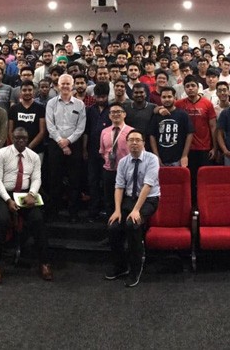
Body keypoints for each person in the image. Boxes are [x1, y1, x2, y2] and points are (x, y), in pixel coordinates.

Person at [0, 127, 52, 284]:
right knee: (2, 221)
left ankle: (44, 263)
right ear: (12, 138)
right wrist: (7, 200)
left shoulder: (33, 156)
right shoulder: (1, 153)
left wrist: (32, 194)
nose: (20, 141)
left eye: (23, 138)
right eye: (17, 138)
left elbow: (37, 178)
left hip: (25, 194)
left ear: (27, 138)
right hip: (5, 194)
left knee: (38, 220)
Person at [105, 129, 160, 288]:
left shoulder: (152, 159)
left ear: (143, 143)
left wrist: (136, 210)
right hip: (130, 198)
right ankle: (120, 265)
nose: (134, 143)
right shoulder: (123, 162)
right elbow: (119, 187)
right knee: (113, 226)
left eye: (138, 140)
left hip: (149, 199)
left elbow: (148, 186)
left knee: (132, 224)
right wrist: (117, 210)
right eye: (131, 140)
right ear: (127, 143)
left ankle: (135, 268)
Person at [45, 74, 86, 222]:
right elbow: (50, 125)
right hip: (55, 145)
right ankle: (55, 211)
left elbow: (80, 127)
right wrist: (61, 142)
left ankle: (73, 212)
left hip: (74, 145)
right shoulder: (51, 103)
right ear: (58, 85)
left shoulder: (80, 105)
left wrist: (68, 141)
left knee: (75, 180)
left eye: (68, 84)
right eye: (62, 84)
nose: (65, 86)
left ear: (73, 85)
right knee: (55, 179)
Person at [175, 74, 217, 205]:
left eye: (193, 86)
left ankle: (205, 205)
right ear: (184, 89)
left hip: (204, 148)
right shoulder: (179, 104)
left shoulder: (207, 104)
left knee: (204, 179)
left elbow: (213, 126)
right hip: (186, 151)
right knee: (189, 180)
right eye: (187, 86)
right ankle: (191, 207)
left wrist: (215, 147)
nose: (190, 88)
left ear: (198, 87)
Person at [84, 83, 111, 221]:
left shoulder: (112, 109)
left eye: (103, 97)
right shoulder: (89, 110)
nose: (100, 100)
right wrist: (84, 149)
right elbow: (86, 132)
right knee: (93, 181)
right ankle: (93, 211)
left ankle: (107, 211)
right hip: (92, 150)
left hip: (108, 153)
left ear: (107, 96)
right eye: (98, 97)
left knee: (106, 182)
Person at [150, 86, 193, 167]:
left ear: (174, 97)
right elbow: (152, 136)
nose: (167, 99)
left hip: (178, 158)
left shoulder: (182, 115)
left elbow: (190, 134)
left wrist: (184, 155)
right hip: (161, 158)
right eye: (164, 97)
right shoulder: (156, 116)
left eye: (169, 96)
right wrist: (156, 157)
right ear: (160, 98)